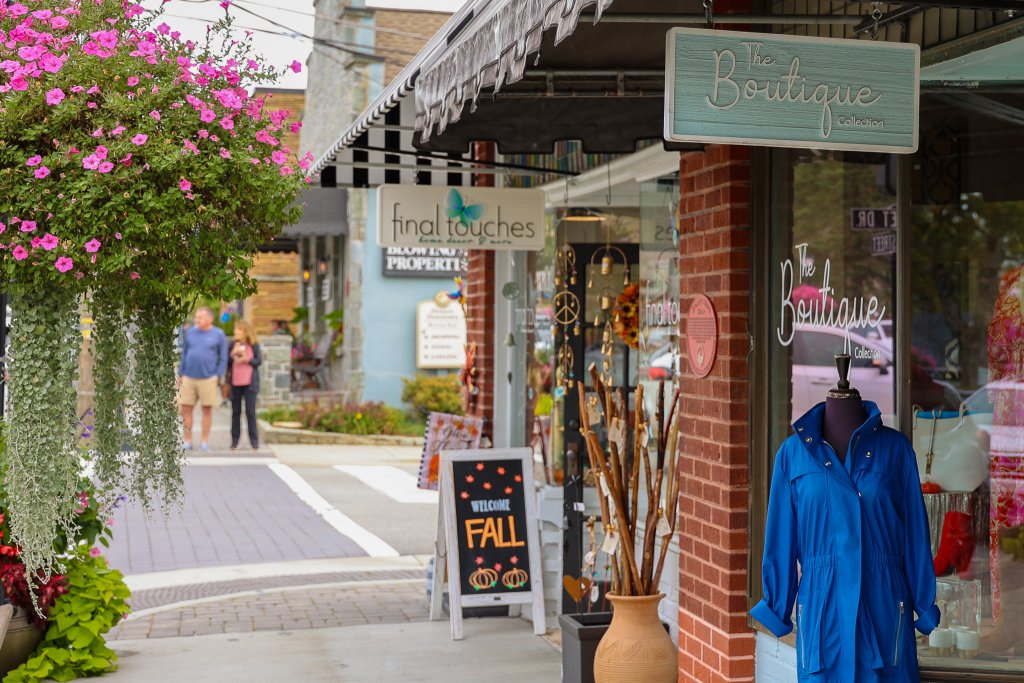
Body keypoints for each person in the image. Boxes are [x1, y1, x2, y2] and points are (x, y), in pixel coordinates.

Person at [178, 307, 228, 451]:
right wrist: (180, 374)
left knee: (207, 410)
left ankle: (204, 442)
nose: (197, 320)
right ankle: (187, 441)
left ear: (209, 319)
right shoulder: (191, 333)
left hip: (208, 378)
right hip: (189, 377)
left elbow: (223, 357)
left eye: (200, 317)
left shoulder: (218, 334)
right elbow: (184, 354)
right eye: (196, 317)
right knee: (186, 409)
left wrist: (217, 374)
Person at [227, 320, 261, 451]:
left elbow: (258, 361)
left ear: (245, 332)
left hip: (250, 384)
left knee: (250, 413)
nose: (235, 331)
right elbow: (228, 362)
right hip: (235, 383)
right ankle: (234, 442)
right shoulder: (232, 344)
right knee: (235, 413)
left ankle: (254, 443)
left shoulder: (254, 345)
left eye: (238, 329)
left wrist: (246, 358)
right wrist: (233, 353)